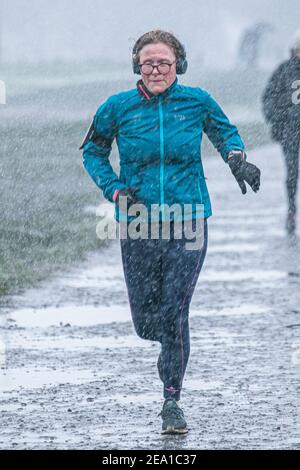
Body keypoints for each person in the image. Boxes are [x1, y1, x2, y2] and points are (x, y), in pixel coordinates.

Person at [81, 30, 261, 434]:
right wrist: (114, 189)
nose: (157, 69)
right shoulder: (117, 107)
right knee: (148, 322)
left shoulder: (197, 101)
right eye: (148, 63)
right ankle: (166, 343)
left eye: (164, 62)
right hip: (139, 221)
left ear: (179, 63)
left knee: (175, 310)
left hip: (189, 218)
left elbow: (225, 133)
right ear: (136, 67)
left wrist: (237, 160)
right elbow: (93, 151)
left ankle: (171, 400)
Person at [262, 30, 300, 234]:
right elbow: (269, 98)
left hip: (290, 128)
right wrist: (277, 121)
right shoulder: (284, 71)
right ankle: (291, 210)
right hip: (291, 130)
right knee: (292, 172)